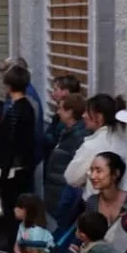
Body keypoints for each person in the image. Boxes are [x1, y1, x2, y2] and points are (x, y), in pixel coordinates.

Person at [0, 64, 37, 249]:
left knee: (12, 209)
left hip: (12, 170)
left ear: (8, 86)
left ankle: (12, 246)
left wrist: (0, 170)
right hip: (20, 167)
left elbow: (8, 143)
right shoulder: (27, 107)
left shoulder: (15, 111)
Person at [64, 95, 127, 198]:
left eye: (87, 112)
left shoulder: (93, 145)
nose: (83, 115)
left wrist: (88, 176)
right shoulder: (126, 142)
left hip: (97, 205)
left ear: (99, 117)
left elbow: (71, 177)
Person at [44, 92, 87, 223]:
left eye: (61, 109)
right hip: (56, 191)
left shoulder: (77, 137)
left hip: (63, 194)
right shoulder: (66, 131)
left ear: (70, 112)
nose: (58, 112)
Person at [83, 152, 127, 253]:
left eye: (98, 171)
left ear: (115, 174)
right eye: (92, 170)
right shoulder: (92, 202)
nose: (92, 176)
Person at [43, 75, 82, 164]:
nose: (52, 94)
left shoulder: (66, 120)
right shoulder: (59, 115)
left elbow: (54, 140)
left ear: (65, 92)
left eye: (56, 90)